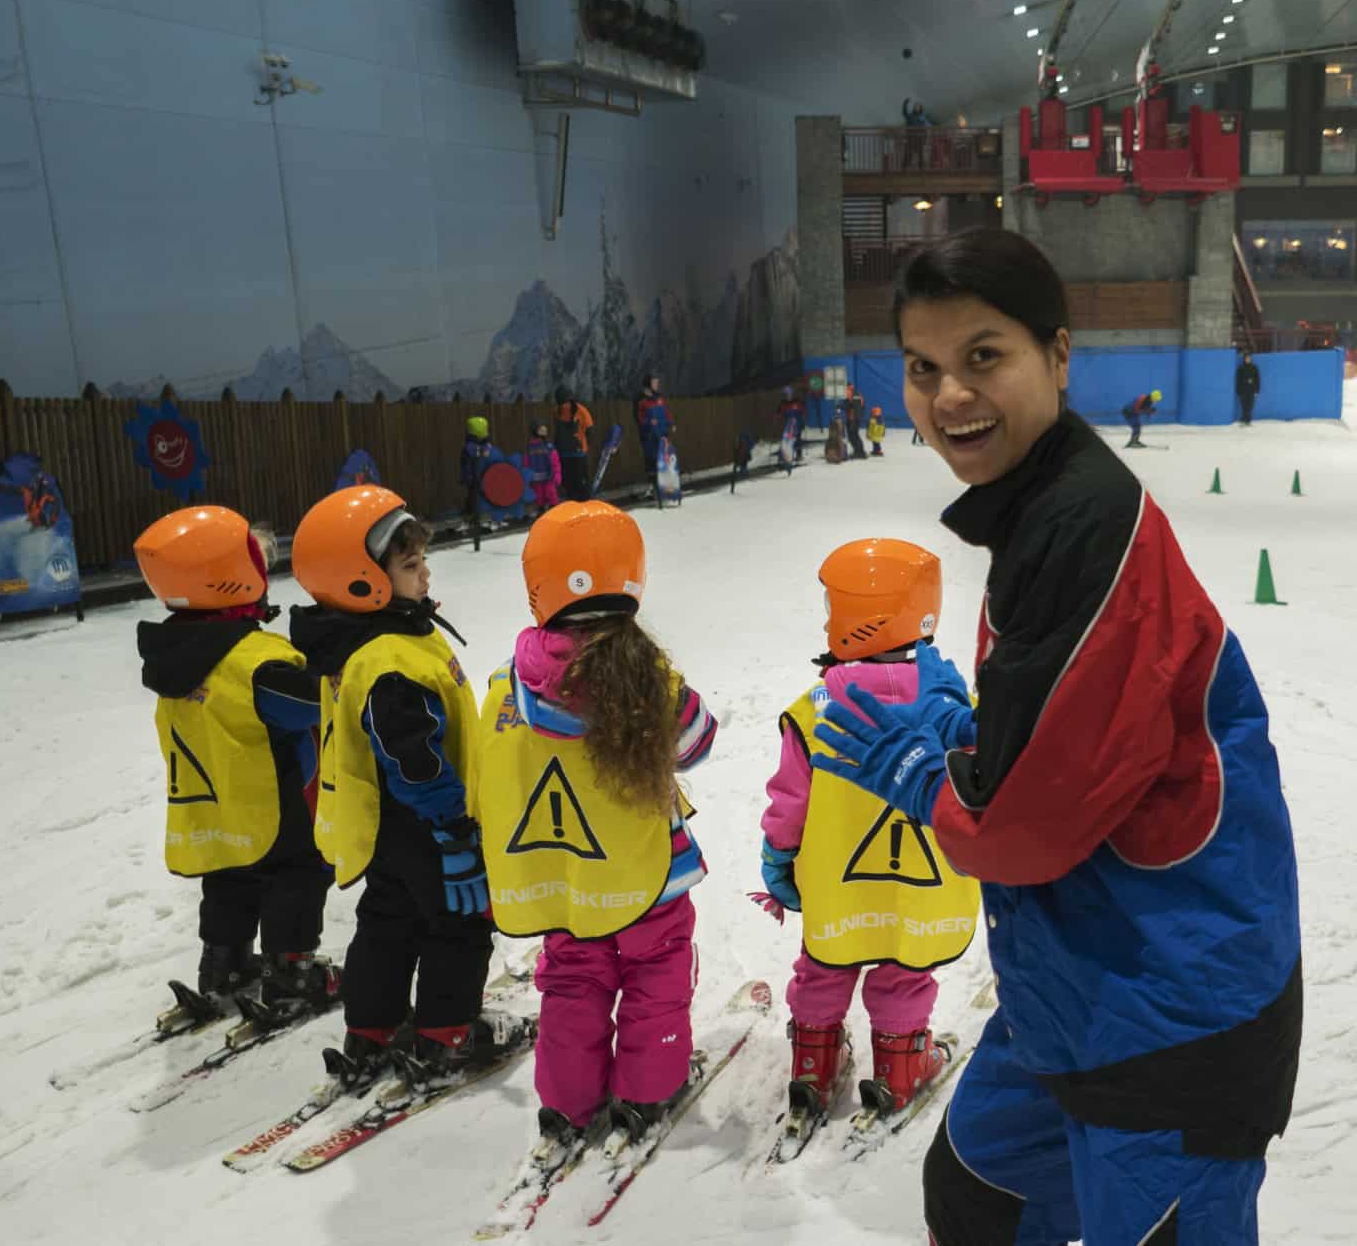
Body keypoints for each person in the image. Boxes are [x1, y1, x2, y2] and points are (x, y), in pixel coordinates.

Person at [812, 229, 1301, 1245]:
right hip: (1073, 988)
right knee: (980, 1190)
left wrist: (927, 778)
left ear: (1058, 355)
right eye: (924, 368)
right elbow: (1076, 740)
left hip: (1173, 1009)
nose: (950, 396)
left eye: (983, 356)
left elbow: (1025, 830)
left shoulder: (1086, 528)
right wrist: (974, 740)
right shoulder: (1036, 515)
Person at [475, 502, 718, 1164]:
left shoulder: (504, 686)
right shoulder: (648, 683)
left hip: (564, 878)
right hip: (649, 880)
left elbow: (488, 775)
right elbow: (698, 741)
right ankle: (646, 1092)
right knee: (654, 979)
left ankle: (567, 1104)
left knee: (573, 985)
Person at [289, 486, 523, 1092]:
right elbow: (412, 757)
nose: (426, 574)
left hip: (386, 825)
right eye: (410, 565)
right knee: (458, 924)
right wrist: (452, 825)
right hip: (425, 821)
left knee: (389, 922)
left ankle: (372, 1029)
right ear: (363, 581)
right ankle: (447, 1035)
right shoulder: (389, 657)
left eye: (423, 561)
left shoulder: (362, 642)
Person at [754, 540, 981, 1127]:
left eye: (834, 605)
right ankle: (902, 1068)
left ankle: (812, 1063)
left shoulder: (815, 709)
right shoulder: (955, 705)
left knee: (824, 963)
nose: (828, 618)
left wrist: (779, 857)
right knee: (904, 970)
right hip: (917, 888)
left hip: (839, 885)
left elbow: (790, 802)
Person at [132, 507, 335, 1024]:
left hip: (211, 804)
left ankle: (224, 962)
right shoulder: (254, 661)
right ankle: (290, 970)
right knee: (299, 871)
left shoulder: (174, 653)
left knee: (229, 879)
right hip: (273, 801)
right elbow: (319, 704)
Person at [553, 391, 594, 502]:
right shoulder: (580, 410)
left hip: (569, 452)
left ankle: (577, 503)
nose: (566, 406)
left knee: (571, 483)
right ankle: (584, 503)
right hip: (575, 452)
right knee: (579, 483)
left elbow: (589, 429)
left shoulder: (559, 410)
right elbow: (590, 429)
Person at [460, 416, 494, 531]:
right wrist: (467, 477)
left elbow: (491, 459)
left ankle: (486, 519)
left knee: (487, 498)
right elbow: (465, 464)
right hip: (474, 478)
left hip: (486, 477)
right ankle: (469, 520)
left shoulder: (487, 445)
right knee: (472, 499)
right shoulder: (469, 447)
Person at [634, 374, 670, 481]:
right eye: (654, 382)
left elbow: (665, 412)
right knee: (651, 460)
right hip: (648, 435)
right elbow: (638, 417)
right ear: (648, 384)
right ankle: (653, 486)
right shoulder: (640, 399)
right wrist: (648, 422)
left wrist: (669, 424)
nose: (657, 384)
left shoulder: (658, 397)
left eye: (657, 382)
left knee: (664, 458)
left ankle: (666, 483)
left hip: (661, 433)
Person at [525, 423, 562, 514]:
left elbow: (555, 461)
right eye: (541, 430)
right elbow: (527, 461)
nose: (544, 432)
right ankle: (541, 511)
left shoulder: (549, 446)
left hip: (549, 476)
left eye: (545, 430)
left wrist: (557, 474)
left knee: (551, 493)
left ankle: (554, 510)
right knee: (539, 496)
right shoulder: (531, 446)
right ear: (535, 431)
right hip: (536, 477)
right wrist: (526, 474)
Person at [776, 387, 806, 461]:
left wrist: (803, 421)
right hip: (788, 425)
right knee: (786, 440)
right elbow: (779, 413)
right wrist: (778, 416)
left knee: (797, 439)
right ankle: (784, 456)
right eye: (786, 395)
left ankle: (799, 455)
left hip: (797, 424)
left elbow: (803, 411)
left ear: (792, 394)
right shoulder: (783, 404)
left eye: (789, 394)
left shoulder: (797, 402)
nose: (788, 396)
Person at [1236, 350, 1261, 426]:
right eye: (1246, 358)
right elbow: (1238, 380)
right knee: (1244, 406)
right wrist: (1238, 390)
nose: (1248, 359)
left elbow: (1257, 379)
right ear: (1244, 359)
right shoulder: (1241, 368)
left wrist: (1257, 390)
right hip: (1243, 390)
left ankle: (1248, 420)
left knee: (1250, 406)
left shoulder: (1254, 368)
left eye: (1249, 358)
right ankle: (1243, 420)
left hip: (1251, 390)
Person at [844, 386, 868, 460]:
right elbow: (847, 405)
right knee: (852, 436)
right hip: (851, 419)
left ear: (849, 389)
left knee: (854, 435)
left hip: (855, 419)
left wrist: (855, 421)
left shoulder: (856, 396)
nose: (846, 392)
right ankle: (857, 451)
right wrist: (840, 406)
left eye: (846, 389)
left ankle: (860, 452)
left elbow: (857, 409)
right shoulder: (850, 396)